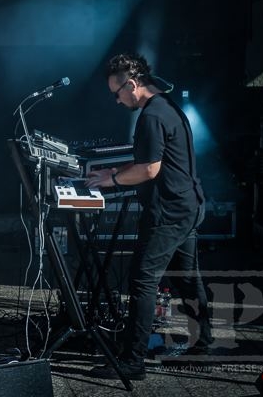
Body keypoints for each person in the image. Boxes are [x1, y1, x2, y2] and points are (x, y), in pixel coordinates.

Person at [85, 53, 213, 381]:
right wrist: (114, 171)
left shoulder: (151, 116)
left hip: (169, 212)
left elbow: (149, 169)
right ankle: (203, 344)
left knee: (142, 281)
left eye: (117, 93)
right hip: (188, 205)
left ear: (131, 85)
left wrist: (112, 181)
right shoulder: (167, 107)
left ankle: (132, 361)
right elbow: (154, 160)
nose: (117, 101)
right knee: (187, 277)